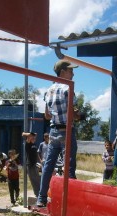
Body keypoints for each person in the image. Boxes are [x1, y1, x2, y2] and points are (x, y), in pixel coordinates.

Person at [37, 59, 81, 207]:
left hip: (53, 131)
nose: (73, 73)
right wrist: (79, 115)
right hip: (67, 130)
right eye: (70, 71)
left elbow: (47, 115)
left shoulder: (48, 90)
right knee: (69, 166)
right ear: (63, 72)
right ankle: (71, 199)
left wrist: (57, 113)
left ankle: (41, 198)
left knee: (48, 166)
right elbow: (73, 113)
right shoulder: (68, 89)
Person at [22, 132, 41, 197]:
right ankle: (37, 193)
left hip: (35, 164)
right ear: (29, 138)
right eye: (32, 137)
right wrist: (30, 134)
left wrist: (40, 161)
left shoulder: (35, 144)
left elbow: (36, 154)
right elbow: (23, 134)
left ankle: (39, 193)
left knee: (38, 179)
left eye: (34, 138)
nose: (34, 138)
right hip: (30, 164)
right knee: (33, 180)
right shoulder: (28, 144)